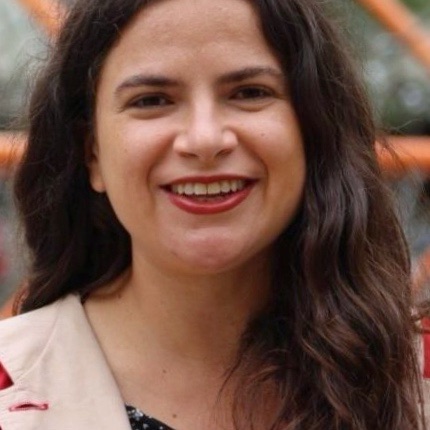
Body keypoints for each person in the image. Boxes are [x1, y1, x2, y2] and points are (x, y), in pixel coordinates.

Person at [0, 0, 428, 428]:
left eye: (249, 93)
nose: (204, 139)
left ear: (314, 130)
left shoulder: (416, 378)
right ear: (91, 153)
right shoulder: (11, 390)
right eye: (152, 100)